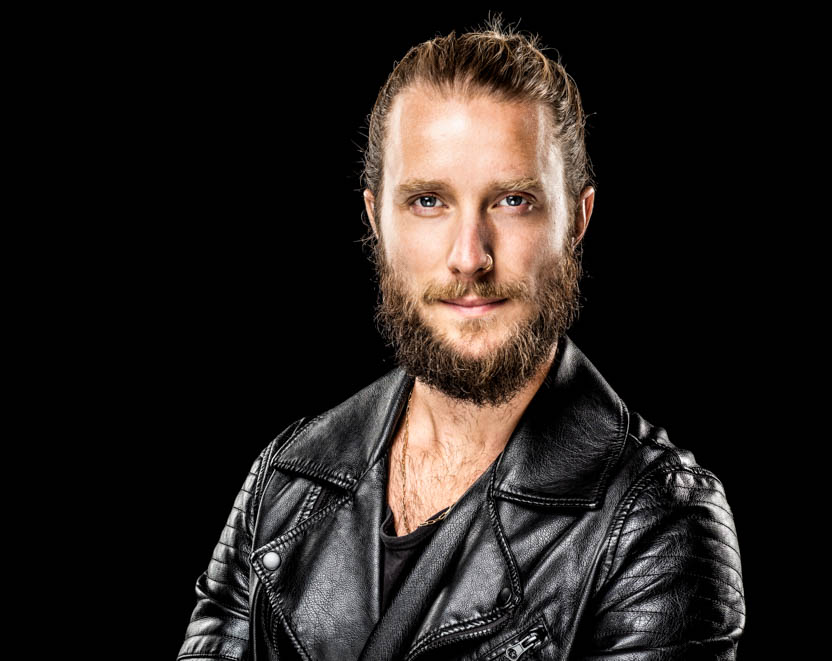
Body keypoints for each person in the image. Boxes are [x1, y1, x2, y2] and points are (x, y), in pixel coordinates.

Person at [177, 15, 745, 661]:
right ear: (376, 219)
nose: (469, 256)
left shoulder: (657, 522)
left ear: (576, 219)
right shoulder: (286, 476)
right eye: (428, 201)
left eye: (512, 200)